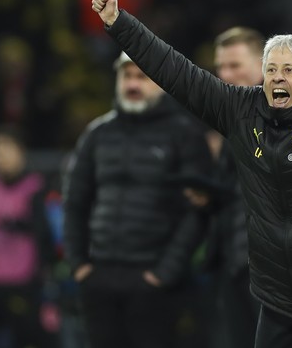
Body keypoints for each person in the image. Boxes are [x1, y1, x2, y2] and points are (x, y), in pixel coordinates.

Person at [92, 0, 292, 348]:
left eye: (288, 70)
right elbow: (175, 71)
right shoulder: (239, 111)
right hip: (277, 292)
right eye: (270, 69)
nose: (277, 77)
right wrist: (117, 21)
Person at [62, 51, 213, 348]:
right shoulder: (97, 134)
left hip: (154, 281)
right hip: (100, 275)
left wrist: (164, 273)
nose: (133, 84)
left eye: (142, 77)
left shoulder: (184, 135)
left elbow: (197, 211)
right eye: (127, 76)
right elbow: (75, 202)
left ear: (160, 82)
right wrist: (79, 264)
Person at [0, 125, 58, 348]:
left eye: (6, 149)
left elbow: (47, 233)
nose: (0, 157)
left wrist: (20, 225)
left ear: (20, 151)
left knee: (29, 340)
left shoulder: (37, 187)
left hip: (22, 283)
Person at [201, 26, 264, 348]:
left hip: (273, 265)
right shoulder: (230, 120)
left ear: (262, 63)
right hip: (233, 260)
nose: (225, 75)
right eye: (220, 67)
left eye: (235, 66)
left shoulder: (290, 115)